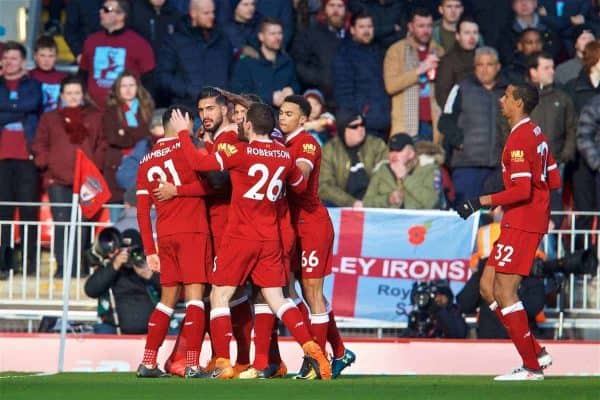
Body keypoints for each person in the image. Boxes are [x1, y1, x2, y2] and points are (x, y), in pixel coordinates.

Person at [175, 103, 332, 380]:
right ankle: (314, 350)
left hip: (241, 236)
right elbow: (298, 186)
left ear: (248, 125)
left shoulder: (242, 153)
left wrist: (184, 135)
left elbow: (199, 163)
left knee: (219, 295)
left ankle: (223, 361)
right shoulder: (283, 155)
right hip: (270, 237)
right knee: (278, 299)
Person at [456, 82, 561, 380]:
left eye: (506, 96)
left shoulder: (519, 140)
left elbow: (521, 189)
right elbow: (552, 179)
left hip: (524, 222)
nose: (501, 100)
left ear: (518, 103)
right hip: (521, 220)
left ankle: (531, 367)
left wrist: (480, 201)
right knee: (487, 287)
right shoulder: (536, 133)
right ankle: (535, 350)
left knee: (505, 290)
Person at [279, 95, 355, 379]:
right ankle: (339, 351)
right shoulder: (283, 143)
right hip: (292, 226)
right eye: (281, 112)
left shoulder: (307, 143)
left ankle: (315, 360)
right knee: (291, 290)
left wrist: (283, 163)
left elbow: (301, 179)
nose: (282, 117)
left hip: (312, 226)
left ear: (303, 119)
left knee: (312, 293)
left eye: (289, 113)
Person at [135, 105, 213, 378]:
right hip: (192, 231)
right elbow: (211, 185)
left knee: (166, 301)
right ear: (183, 122)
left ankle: (148, 361)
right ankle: (192, 364)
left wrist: (149, 250)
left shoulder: (146, 160)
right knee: (195, 300)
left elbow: (142, 211)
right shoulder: (188, 150)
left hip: (166, 235)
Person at [32, 75, 105, 278]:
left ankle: (78, 267)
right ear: (62, 95)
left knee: (81, 224)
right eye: (69, 93)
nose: (73, 97)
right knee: (63, 223)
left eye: (77, 93)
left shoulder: (94, 117)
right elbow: (39, 144)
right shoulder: (50, 118)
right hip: (58, 180)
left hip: (86, 179)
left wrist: (95, 167)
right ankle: (64, 266)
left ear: (82, 95)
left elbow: (101, 144)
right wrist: (47, 163)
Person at [439, 46, 508, 205]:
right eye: (480, 65)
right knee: (466, 216)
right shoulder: (461, 88)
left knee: (498, 220)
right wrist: (461, 142)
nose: (484, 70)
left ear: (498, 67)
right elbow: (445, 121)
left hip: (499, 167)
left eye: (489, 65)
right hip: (467, 166)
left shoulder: (508, 92)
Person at [0, 41, 43, 277]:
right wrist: (18, 110)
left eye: (14, 58)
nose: (9, 62)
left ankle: (30, 265)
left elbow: (33, 104)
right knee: (3, 214)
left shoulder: (33, 85)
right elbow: (22, 108)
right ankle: (5, 265)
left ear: (23, 62)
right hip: (2, 159)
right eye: (5, 58)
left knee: (29, 212)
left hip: (27, 157)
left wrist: (6, 110)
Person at [78, 0, 156, 109]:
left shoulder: (139, 44)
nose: (101, 12)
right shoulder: (91, 41)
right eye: (101, 8)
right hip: (93, 112)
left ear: (121, 15)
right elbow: (82, 75)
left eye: (106, 10)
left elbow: (149, 83)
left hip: (125, 113)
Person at [156, 0, 233, 110]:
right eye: (206, 13)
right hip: (189, 109)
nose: (212, 16)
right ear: (193, 13)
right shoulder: (175, 41)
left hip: (220, 110)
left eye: (213, 12)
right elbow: (163, 77)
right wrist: (189, 90)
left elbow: (232, 72)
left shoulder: (223, 40)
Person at [383, 8, 444, 143]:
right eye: (421, 26)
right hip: (407, 125)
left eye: (429, 26)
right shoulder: (396, 51)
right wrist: (420, 69)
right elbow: (391, 86)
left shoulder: (439, 51)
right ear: (410, 27)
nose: (426, 31)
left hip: (433, 124)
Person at [84, 228, 161, 334]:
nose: (130, 256)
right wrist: (114, 266)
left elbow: (175, 293)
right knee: (103, 331)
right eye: (125, 251)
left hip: (152, 329)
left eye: (134, 252)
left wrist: (151, 276)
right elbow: (90, 290)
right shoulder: (111, 268)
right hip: (113, 327)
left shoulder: (151, 267)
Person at [334, 9, 390, 139]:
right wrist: (357, 119)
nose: (366, 31)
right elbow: (343, 94)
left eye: (369, 26)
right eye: (362, 27)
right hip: (363, 124)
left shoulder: (380, 52)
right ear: (352, 30)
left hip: (386, 121)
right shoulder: (344, 55)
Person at [102, 71, 154, 211]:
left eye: (132, 85)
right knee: (116, 215)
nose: (128, 89)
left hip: (142, 164)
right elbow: (113, 138)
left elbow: (150, 135)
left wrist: (125, 132)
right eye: (124, 85)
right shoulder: (110, 111)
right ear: (117, 89)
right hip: (117, 165)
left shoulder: (147, 109)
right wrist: (139, 134)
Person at [319, 109, 388, 207]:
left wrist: (368, 203)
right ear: (343, 129)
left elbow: (384, 179)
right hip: (342, 205)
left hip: (372, 203)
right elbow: (324, 186)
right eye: (354, 126)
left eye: (362, 124)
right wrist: (351, 203)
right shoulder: (328, 151)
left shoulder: (377, 145)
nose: (360, 129)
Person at [291, 0, 349, 110]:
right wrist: (322, 79)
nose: (335, 10)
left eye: (339, 6)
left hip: (347, 100)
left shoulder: (351, 35)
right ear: (324, 8)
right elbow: (299, 64)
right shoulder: (310, 34)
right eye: (331, 5)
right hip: (319, 99)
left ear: (345, 10)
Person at [230, 17, 300, 107]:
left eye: (280, 33)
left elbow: (296, 86)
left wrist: (292, 91)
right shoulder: (247, 62)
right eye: (272, 34)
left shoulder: (288, 62)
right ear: (261, 37)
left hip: (284, 117)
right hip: (257, 117)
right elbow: (238, 93)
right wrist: (269, 98)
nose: (277, 37)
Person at [363, 133, 444, 209]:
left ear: (411, 153)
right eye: (391, 150)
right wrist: (388, 199)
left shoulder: (429, 169)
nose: (393, 155)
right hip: (388, 221)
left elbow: (432, 202)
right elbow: (366, 203)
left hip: (419, 222)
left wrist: (406, 178)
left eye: (399, 150)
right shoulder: (382, 170)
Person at [435, 15, 480, 108]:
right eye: (467, 33)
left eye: (475, 33)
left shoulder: (483, 58)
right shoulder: (448, 61)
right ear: (457, 36)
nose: (472, 37)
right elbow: (442, 96)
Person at [29, 35, 67, 113]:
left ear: (56, 57)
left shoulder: (64, 78)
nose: (46, 60)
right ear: (35, 56)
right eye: (42, 56)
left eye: (51, 56)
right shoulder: (28, 76)